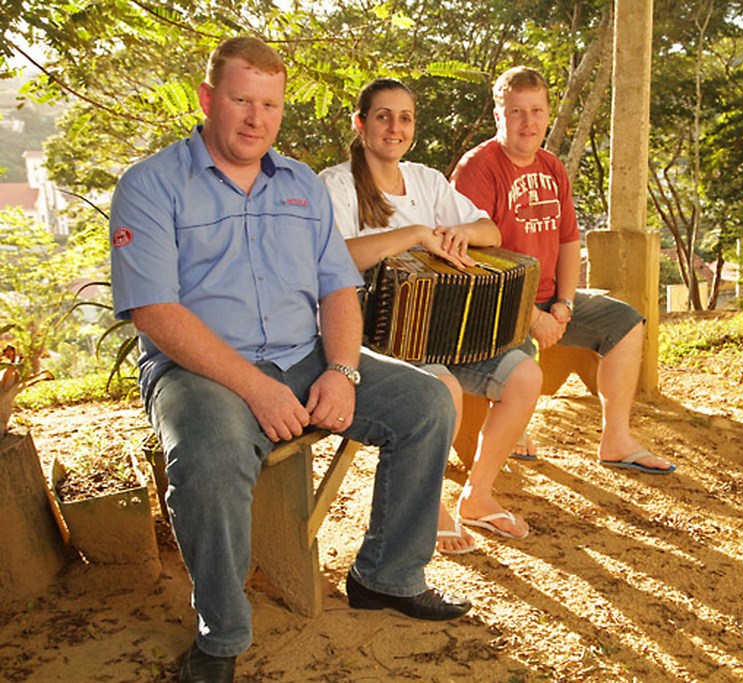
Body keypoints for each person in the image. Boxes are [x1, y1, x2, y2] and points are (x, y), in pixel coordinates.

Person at [109, 38, 470, 683]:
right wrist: (255, 387)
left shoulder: (300, 182)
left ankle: (386, 575)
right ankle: (222, 634)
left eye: (270, 105)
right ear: (207, 99)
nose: (257, 119)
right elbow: (155, 311)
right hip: (200, 370)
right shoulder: (151, 184)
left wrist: (342, 370)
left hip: (305, 354)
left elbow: (337, 289)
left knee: (428, 402)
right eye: (241, 101)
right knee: (210, 458)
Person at [320, 78, 540, 550]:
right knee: (444, 389)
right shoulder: (336, 184)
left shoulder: (426, 179)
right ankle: (430, 503)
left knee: (525, 376)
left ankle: (478, 496)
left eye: (405, 118)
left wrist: (463, 233)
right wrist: (416, 234)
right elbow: (334, 257)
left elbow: (490, 230)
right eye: (383, 116)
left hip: (446, 328)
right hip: (377, 336)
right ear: (360, 124)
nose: (394, 128)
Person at [451, 66, 675, 475]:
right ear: (499, 116)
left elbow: (568, 241)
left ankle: (616, 440)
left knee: (625, 323)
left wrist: (565, 303)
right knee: (517, 360)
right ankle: (497, 445)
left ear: (548, 114)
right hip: (494, 308)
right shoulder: (477, 169)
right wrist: (530, 316)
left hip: (548, 300)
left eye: (537, 111)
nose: (528, 122)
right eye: (517, 112)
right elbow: (472, 264)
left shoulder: (551, 167)